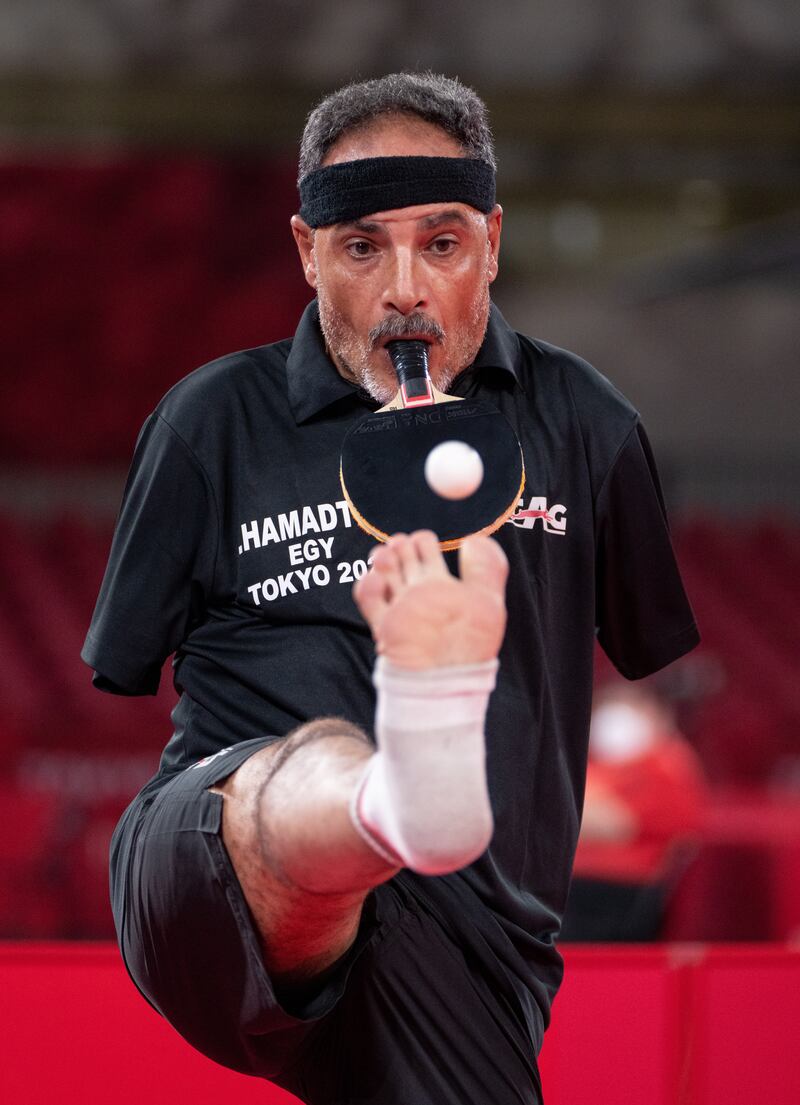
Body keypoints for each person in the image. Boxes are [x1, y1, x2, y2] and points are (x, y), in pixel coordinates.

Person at [82, 72, 700, 1104]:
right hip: (213, 866)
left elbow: (637, 667)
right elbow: (124, 673)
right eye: (363, 246)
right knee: (307, 765)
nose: (405, 288)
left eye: (443, 243)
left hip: (467, 946)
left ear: (491, 245)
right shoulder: (209, 422)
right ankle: (393, 789)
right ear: (306, 251)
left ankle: (408, 803)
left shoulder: (586, 426)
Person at [561, 683, 708, 942]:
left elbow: (615, 825)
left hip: (622, 891)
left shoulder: (667, 763)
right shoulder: (584, 758)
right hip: (567, 880)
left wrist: (581, 814)